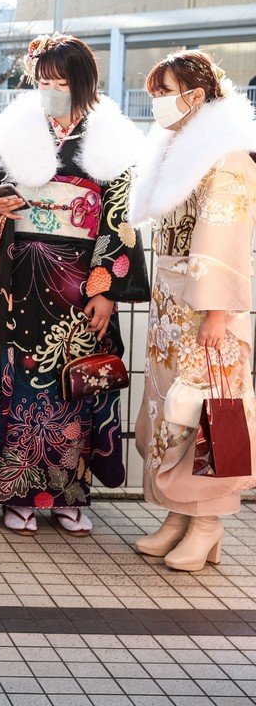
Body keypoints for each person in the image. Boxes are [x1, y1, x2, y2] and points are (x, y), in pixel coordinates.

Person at [0, 34, 150, 537]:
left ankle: (71, 494)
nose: (49, 89)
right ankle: (15, 494)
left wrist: (104, 289)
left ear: (83, 83)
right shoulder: (17, 130)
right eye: (43, 80)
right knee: (17, 382)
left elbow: (120, 219)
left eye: (60, 81)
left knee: (74, 381)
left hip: (77, 279)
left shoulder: (107, 138)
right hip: (17, 277)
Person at [129, 50, 256, 571]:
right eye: (155, 92)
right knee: (170, 407)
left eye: (166, 91)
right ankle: (178, 514)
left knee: (205, 408)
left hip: (207, 308)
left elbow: (221, 238)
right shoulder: (183, 148)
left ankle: (207, 522)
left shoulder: (226, 157)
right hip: (173, 303)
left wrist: (216, 312)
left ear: (197, 95)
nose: (157, 102)